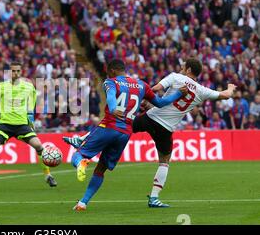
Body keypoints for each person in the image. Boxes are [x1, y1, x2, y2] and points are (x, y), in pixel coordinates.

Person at [64, 58, 237, 209]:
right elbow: (225, 95)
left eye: (183, 67)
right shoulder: (202, 90)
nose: (181, 69)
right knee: (164, 161)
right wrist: (230, 87)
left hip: (150, 118)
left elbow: (154, 89)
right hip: (167, 128)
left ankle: (82, 141)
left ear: (189, 70)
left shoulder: (175, 77)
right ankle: (154, 198)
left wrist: (144, 100)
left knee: (118, 123)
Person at [69, 59, 188, 211]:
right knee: (101, 169)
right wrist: (178, 93)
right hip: (125, 133)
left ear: (112, 71)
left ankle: (81, 163)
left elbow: (111, 97)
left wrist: (113, 108)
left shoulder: (110, 82)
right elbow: (160, 102)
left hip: (109, 127)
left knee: (78, 155)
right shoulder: (141, 85)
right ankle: (82, 203)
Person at [0, 62, 57, 191]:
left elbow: (31, 102)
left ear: (21, 72)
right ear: (9, 72)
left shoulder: (28, 87)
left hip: (22, 125)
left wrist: (30, 116)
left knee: (38, 145)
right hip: (5, 125)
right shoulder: (1, 87)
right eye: (13, 71)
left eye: (18, 71)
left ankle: (48, 176)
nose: (15, 73)